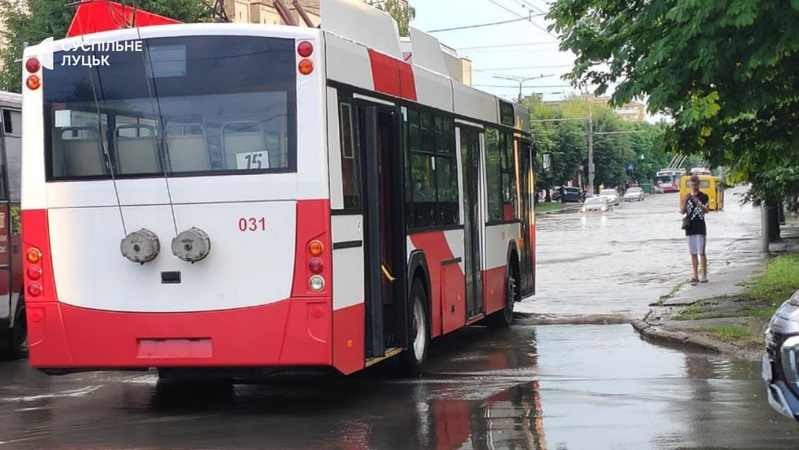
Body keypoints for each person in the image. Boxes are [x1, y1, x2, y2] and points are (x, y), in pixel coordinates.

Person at [680, 175, 710, 283]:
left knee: (701, 252)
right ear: (690, 184)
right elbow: (682, 211)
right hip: (689, 227)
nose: (694, 187)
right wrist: (684, 204)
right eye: (692, 185)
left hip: (700, 227)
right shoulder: (687, 197)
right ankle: (695, 275)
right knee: (693, 253)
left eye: (696, 185)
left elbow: (707, 210)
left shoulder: (704, 196)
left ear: (699, 184)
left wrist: (699, 203)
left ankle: (704, 275)